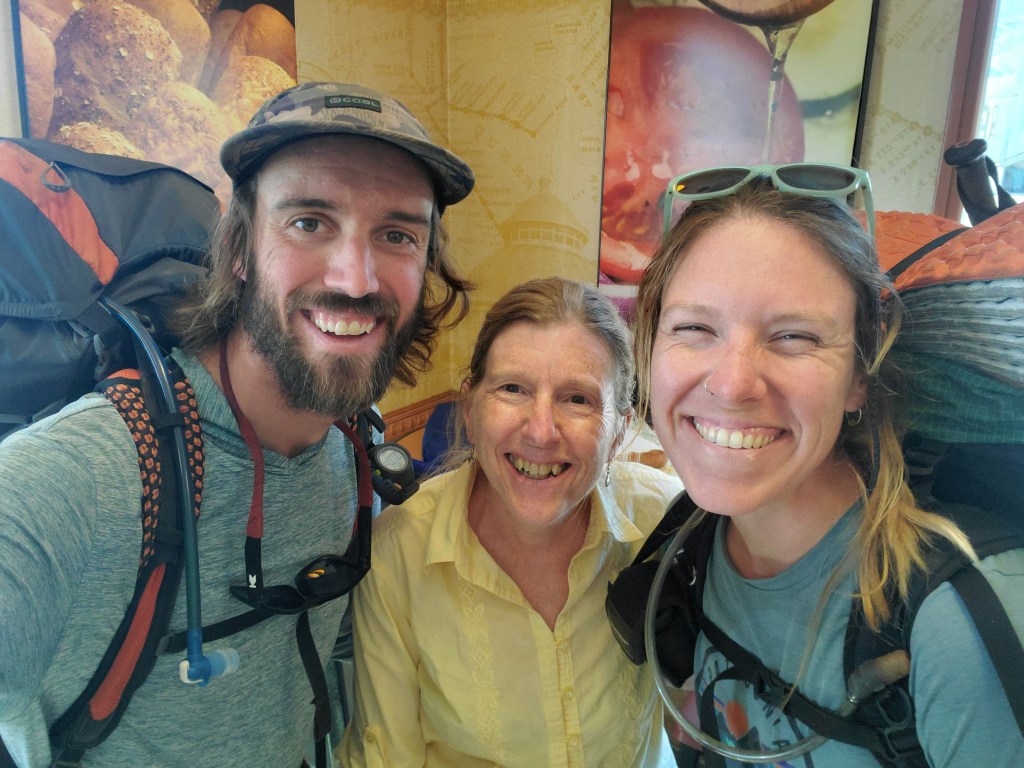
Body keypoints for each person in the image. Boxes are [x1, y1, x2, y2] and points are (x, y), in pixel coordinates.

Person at [0, 81, 474, 768]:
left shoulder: (352, 449)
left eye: (397, 235)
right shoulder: (68, 484)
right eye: (309, 222)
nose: (356, 278)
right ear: (240, 249)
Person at [631, 171, 1024, 767]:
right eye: (694, 328)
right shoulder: (692, 543)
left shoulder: (955, 622)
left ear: (860, 375)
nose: (732, 384)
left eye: (794, 336)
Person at [339, 276, 683, 767]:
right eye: (513, 389)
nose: (541, 432)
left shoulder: (664, 523)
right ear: (471, 409)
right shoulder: (400, 554)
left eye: (578, 399)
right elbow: (386, 757)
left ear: (618, 432)